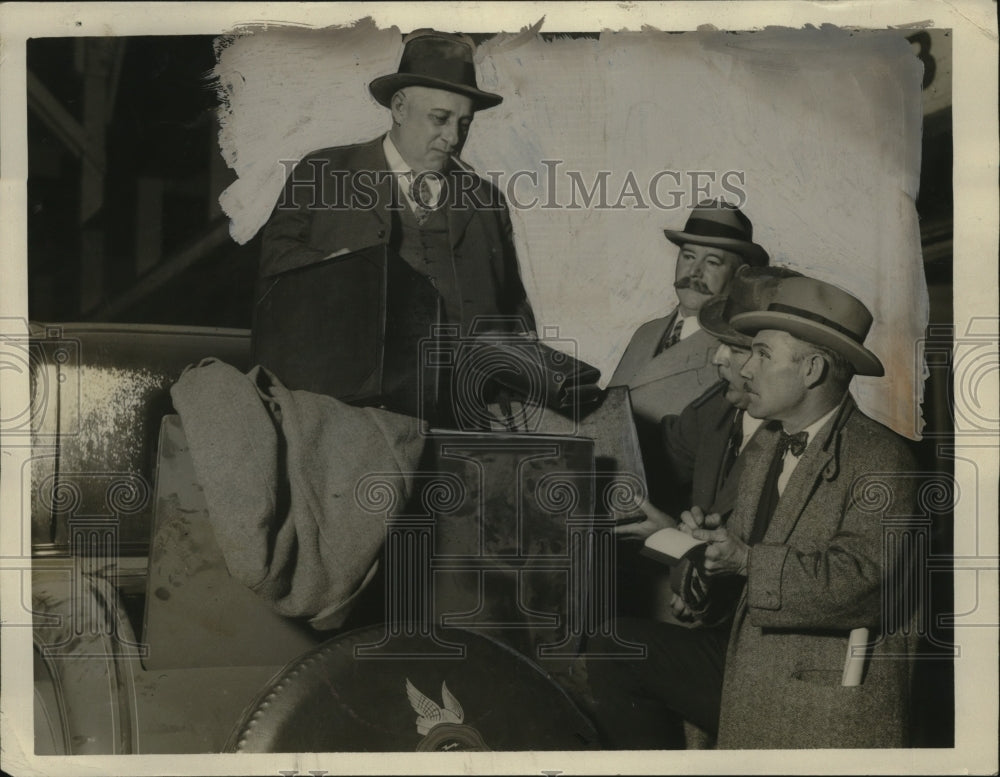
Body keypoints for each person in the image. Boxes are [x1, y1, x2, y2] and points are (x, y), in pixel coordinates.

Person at [588, 274, 919, 749]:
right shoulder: (766, 445)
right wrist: (702, 555)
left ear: (812, 370)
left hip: (820, 691)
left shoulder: (883, 459)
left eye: (762, 355)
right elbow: (730, 594)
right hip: (752, 663)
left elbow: (863, 586)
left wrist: (745, 560)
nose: (745, 369)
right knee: (612, 644)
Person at [259, 30, 535, 338]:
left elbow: (515, 307)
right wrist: (329, 269)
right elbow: (275, 260)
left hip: (471, 369)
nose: (454, 138)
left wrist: (519, 347)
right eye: (440, 118)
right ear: (399, 108)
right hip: (355, 364)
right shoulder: (321, 172)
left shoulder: (489, 201)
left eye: (464, 124)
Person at [608, 200, 769, 510]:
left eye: (712, 262)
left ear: (740, 274)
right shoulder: (646, 333)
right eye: (688, 256)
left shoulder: (740, 352)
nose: (694, 272)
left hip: (670, 512)